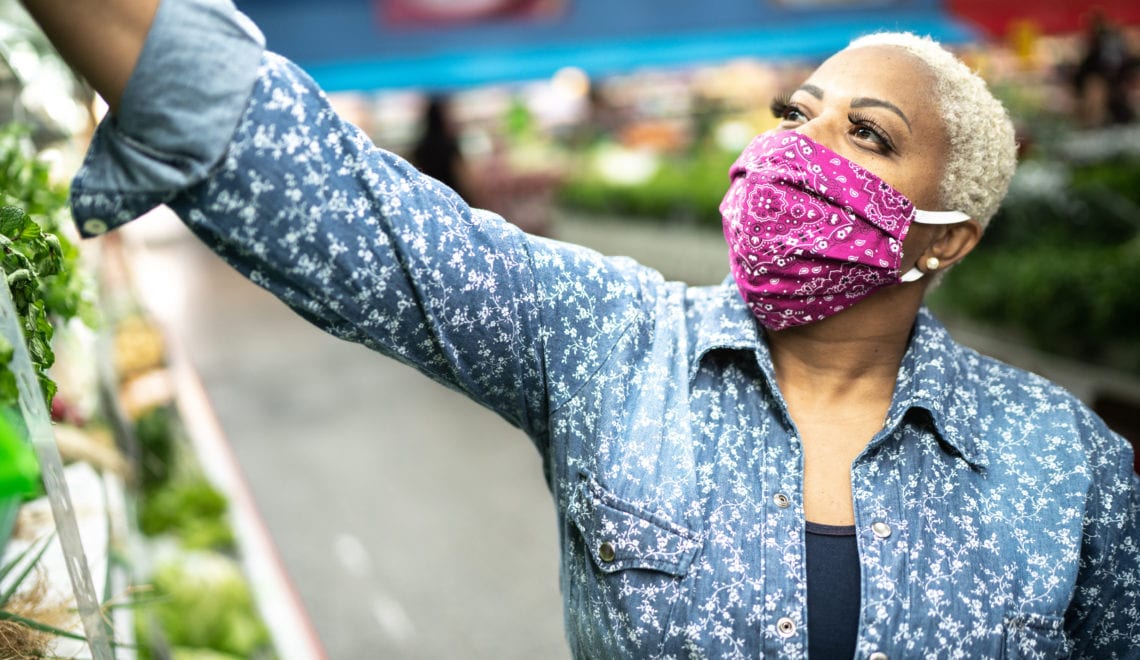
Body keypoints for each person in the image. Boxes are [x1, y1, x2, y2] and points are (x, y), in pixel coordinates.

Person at [22, 0, 1140, 657]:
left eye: (868, 135)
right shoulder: (609, 340)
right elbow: (324, 191)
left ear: (950, 238)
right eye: (795, 114)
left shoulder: (1067, 467)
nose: (800, 147)